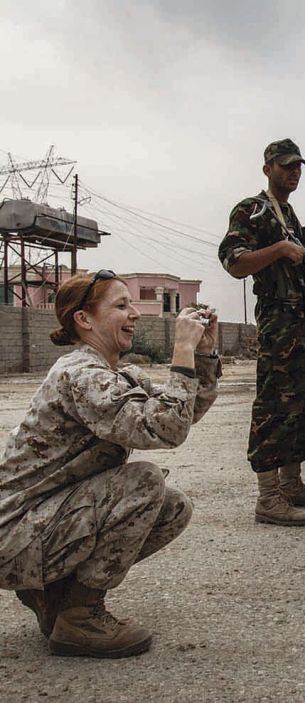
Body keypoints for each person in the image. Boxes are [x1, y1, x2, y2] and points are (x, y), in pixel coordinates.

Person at [1, 271, 219, 657]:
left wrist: (201, 355)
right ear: (84, 320)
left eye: (131, 304)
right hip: (15, 534)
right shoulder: (82, 375)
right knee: (143, 482)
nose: (134, 313)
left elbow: (181, 414)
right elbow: (165, 430)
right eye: (121, 306)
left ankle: (56, 599)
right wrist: (180, 353)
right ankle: (79, 617)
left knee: (171, 508)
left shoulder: (113, 373)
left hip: (41, 522)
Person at [219, 138, 305, 527]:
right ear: (267, 168)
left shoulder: (290, 216)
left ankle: (292, 482)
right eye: (286, 166)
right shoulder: (252, 211)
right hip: (279, 323)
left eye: (298, 166)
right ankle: (268, 496)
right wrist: (280, 249)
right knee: (275, 406)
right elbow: (234, 263)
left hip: (304, 323)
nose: (293, 172)